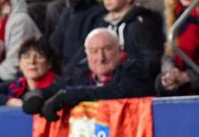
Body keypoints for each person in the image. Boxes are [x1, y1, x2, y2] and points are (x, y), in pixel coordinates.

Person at [21, 27, 153, 119]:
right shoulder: (80, 73)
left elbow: (118, 92)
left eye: (107, 49)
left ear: (120, 51)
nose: (101, 57)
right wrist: (36, 95)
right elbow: (61, 88)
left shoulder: (135, 70)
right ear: (87, 55)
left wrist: (71, 95)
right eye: (94, 51)